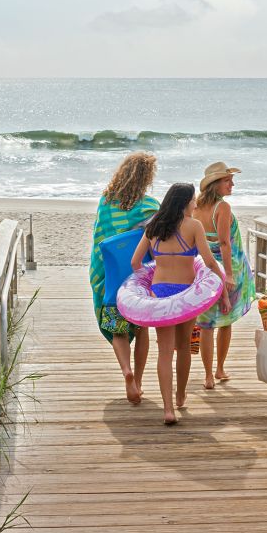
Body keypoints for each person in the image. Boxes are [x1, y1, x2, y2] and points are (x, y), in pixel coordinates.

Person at [131, 183, 228, 425]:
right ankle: (181, 395)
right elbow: (209, 262)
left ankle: (167, 410)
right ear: (185, 202)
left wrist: (146, 284)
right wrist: (223, 289)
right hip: (186, 294)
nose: (196, 204)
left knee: (164, 351)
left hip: (160, 292)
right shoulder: (193, 226)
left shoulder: (153, 227)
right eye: (193, 201)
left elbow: (135, 262)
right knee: (183, 346)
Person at [90, 152, 160, 404]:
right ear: (146, 177)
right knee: (141, 329)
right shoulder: (150, 207)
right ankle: (138, 381)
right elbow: (157, 243)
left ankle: (125, 372)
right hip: (138, 277)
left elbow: (100, 239)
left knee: (117, 327)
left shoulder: (105, 203)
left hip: (108, 275)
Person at [192, 162, 255, 389]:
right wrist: (228, 274)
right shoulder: (222, 208)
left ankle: (209, 376)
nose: (232, 184)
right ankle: (219, 369)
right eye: (228, 181)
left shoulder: (195, 208)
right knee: (226, 321)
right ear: (216, 184)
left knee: (207, 324)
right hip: (229, 268)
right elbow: (225, 243)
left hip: (204, 270)